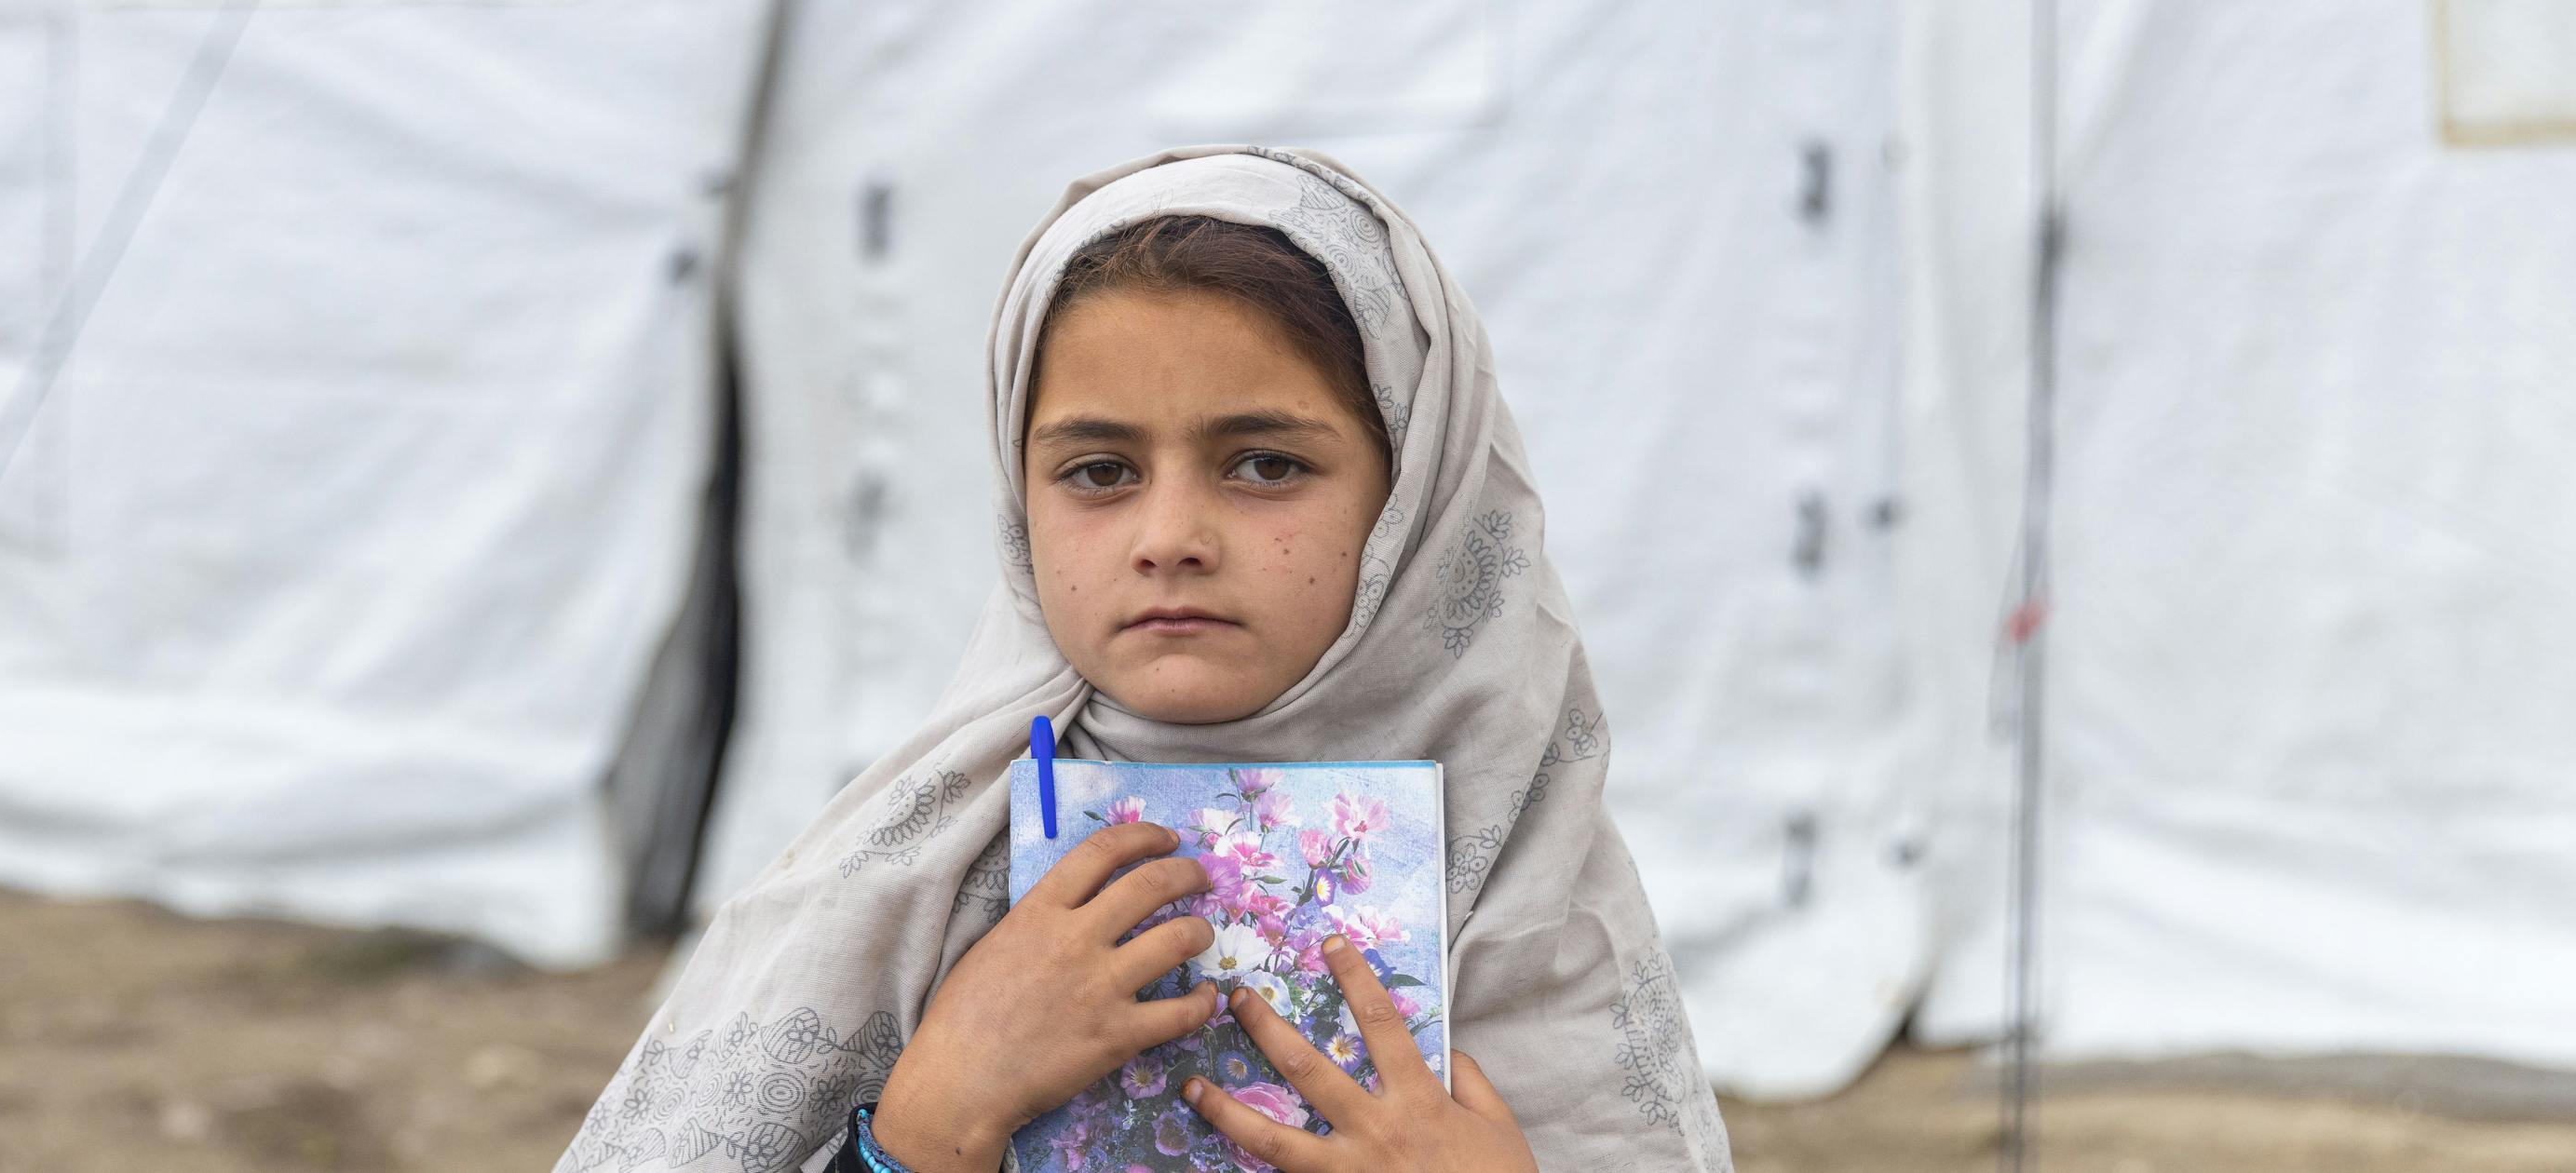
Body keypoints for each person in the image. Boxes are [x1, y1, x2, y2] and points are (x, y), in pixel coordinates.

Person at [559, 146, 1731, 1173]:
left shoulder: (1527, 875)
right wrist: (930, 1122)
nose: (1170, 538)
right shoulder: (905, 886)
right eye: (1099, 472)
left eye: (1266, 464)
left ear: (1417, 497)